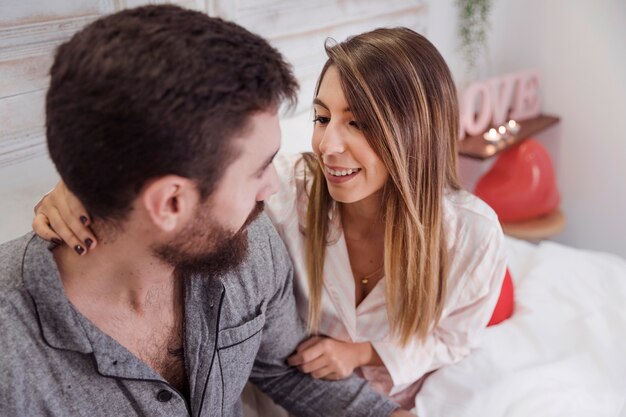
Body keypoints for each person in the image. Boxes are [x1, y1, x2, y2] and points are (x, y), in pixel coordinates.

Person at [32, 26, 511, 414]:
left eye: (359, 123)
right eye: (323, 119)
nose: (328, 146)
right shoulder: (285, 188)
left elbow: (454, 339)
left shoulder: (473, 232)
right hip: (300, 387)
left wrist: (364, 354)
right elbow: (193, 182)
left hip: (401, 390)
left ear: (416, 133)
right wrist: (80, 186)